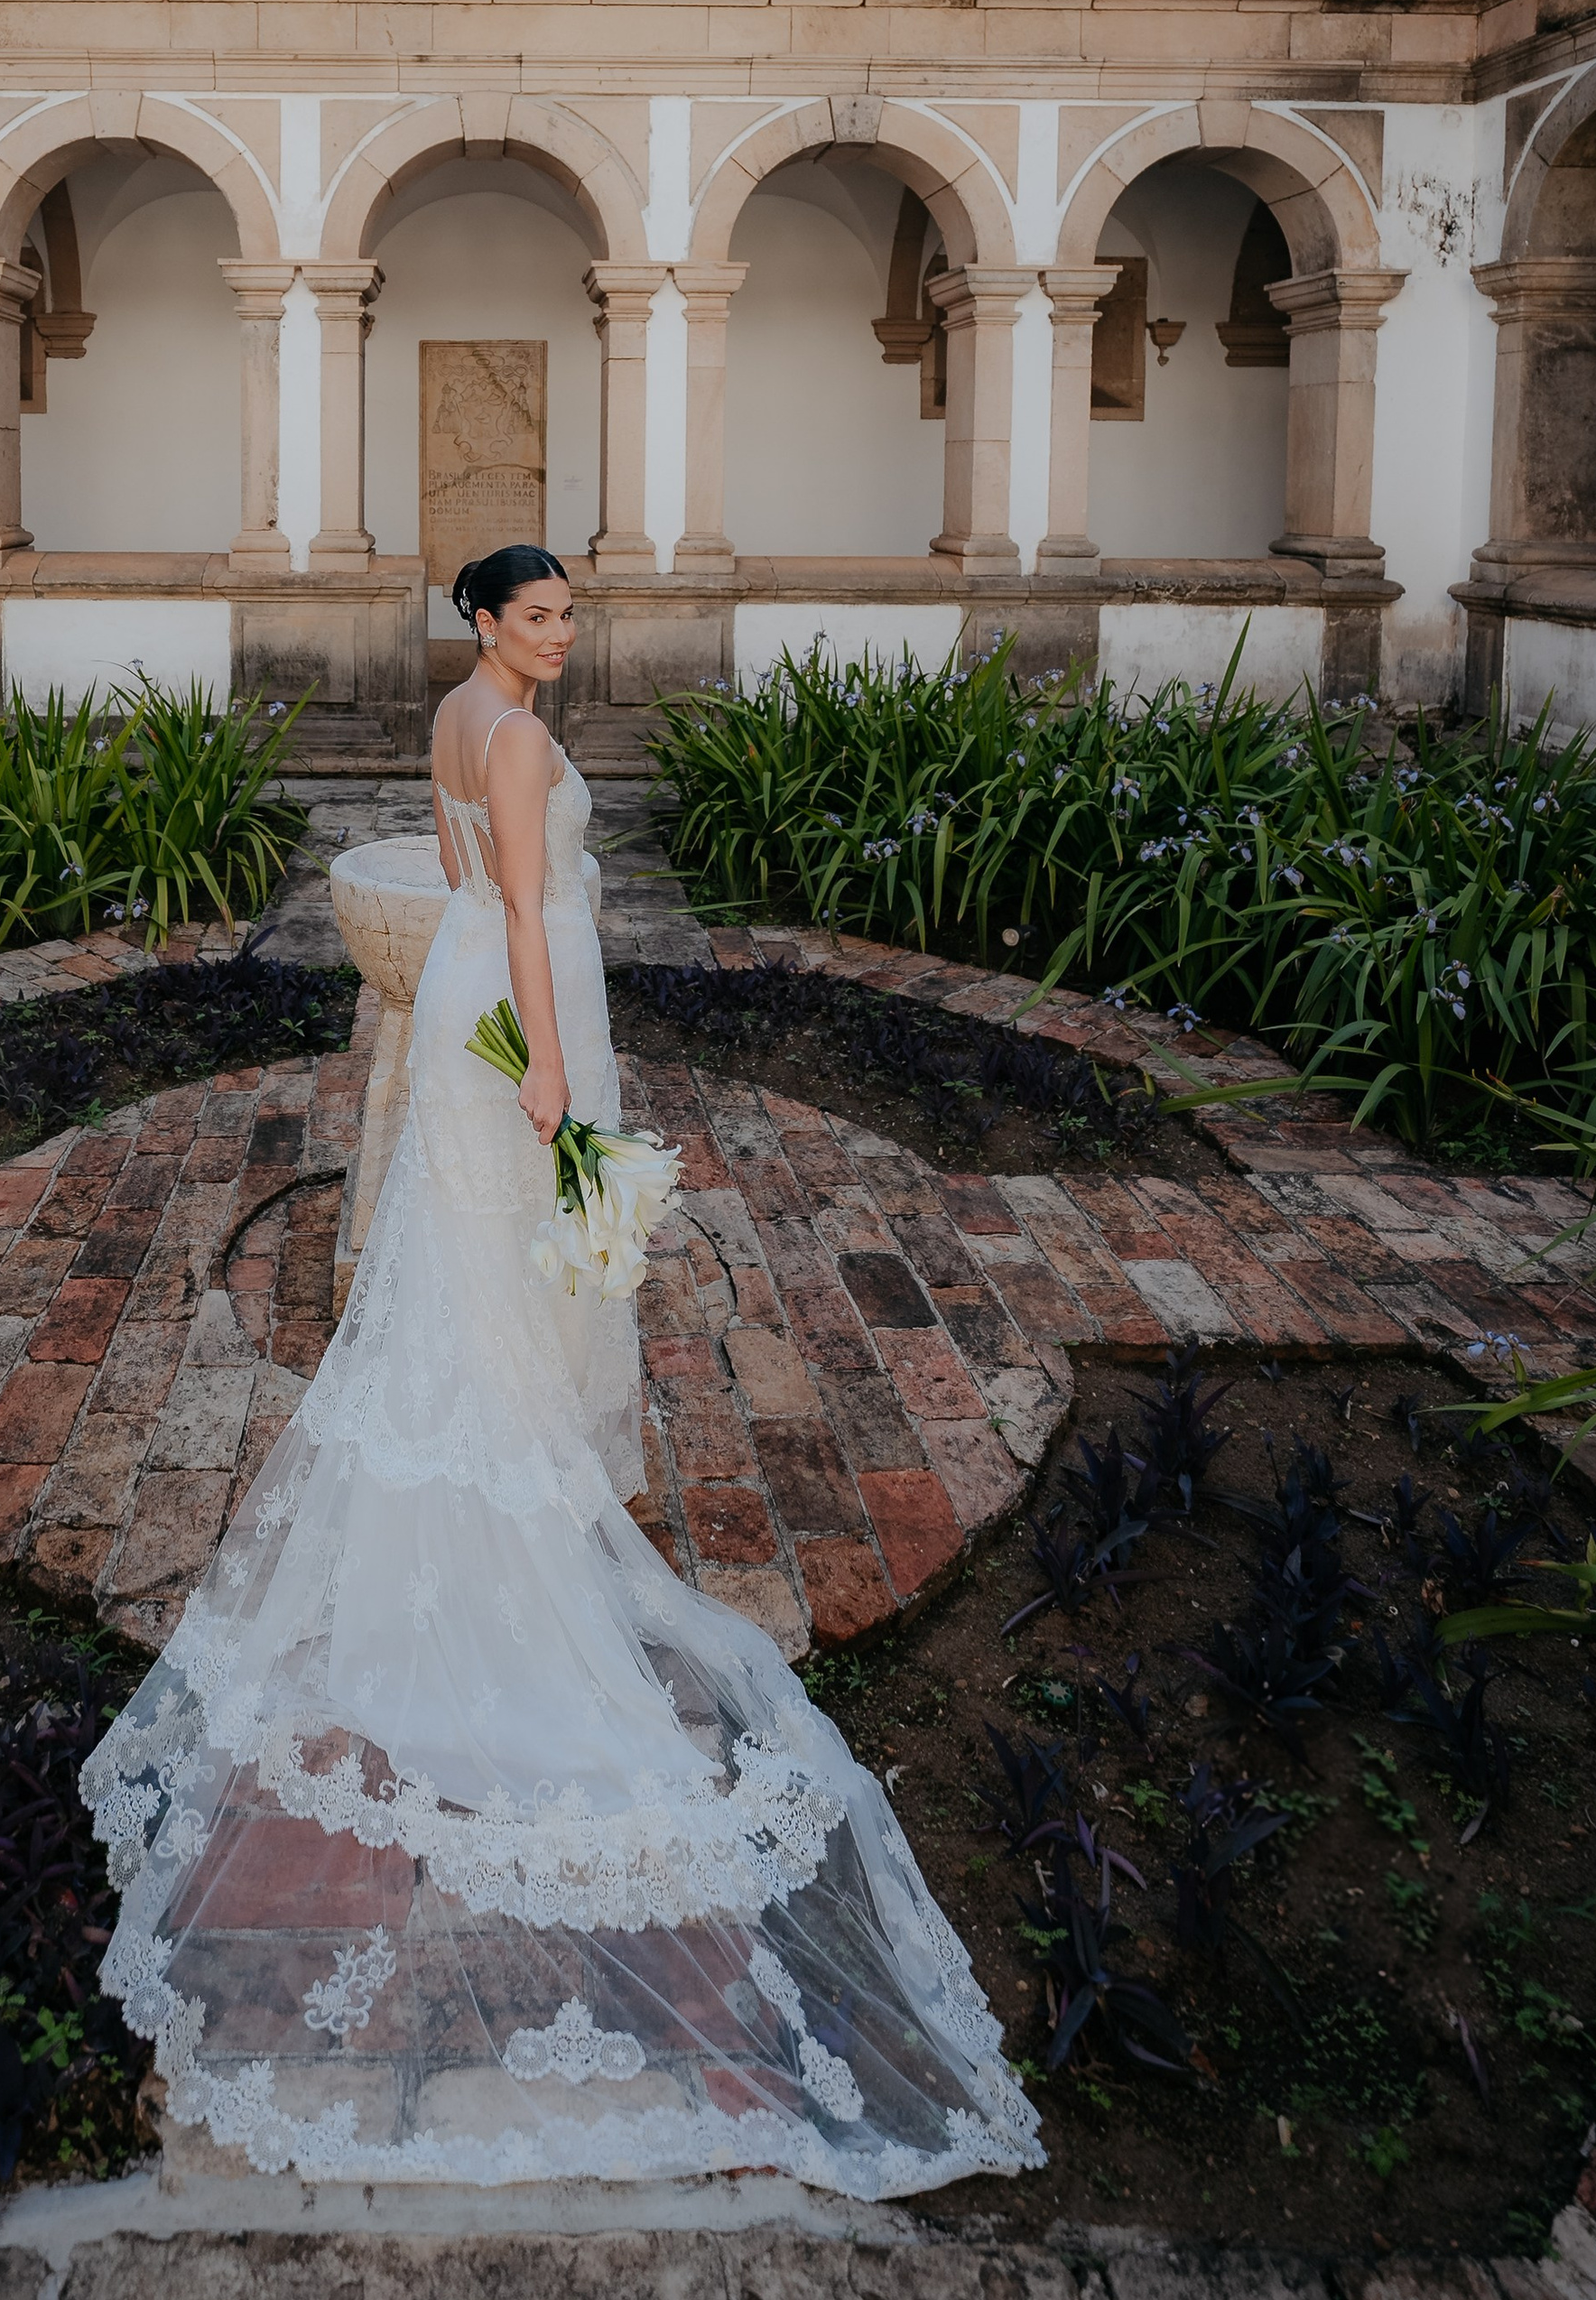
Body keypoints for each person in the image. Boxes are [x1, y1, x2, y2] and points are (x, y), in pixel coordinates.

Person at [80, 543, 1042, 2193]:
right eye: (539, 617)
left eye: (570, 615)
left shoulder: (461, 715)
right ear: (481, 622)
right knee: (505, 1292)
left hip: (463, 994)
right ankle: (513, 1534)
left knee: (450, 1293)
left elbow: (478, 887)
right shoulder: (514, 738)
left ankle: (461, 1500)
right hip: (511, 1016)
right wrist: (550, 1084)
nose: (564, 637)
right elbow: (528, 904)